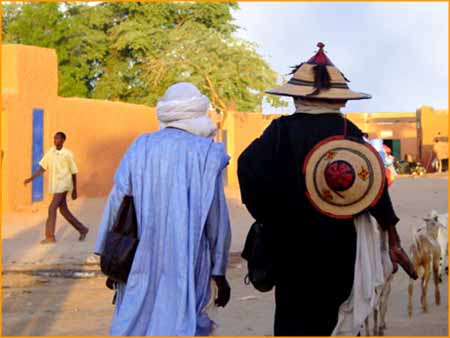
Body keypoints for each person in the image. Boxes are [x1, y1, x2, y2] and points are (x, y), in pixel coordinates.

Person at [238, 42, 417, 336]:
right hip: (339, 245)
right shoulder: (348, 133)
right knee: (331, 318)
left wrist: (268, 214)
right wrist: (392, 238)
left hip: (289, 245)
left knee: (291, 317)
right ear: (339, 100)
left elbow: (247, 168)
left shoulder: (279, 131)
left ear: (297, 96)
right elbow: (375, 189)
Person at [95, 83, 232, 336]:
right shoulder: (207, 153)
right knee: (183, 318)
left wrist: (110, 254)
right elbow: (217, 220)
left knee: (136, 318)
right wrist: (219, 271)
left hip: (138, 256)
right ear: (198, 113)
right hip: (189, 256)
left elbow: (117, 200)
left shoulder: (141, 145)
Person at [24, 132, 89, 244]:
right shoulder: (51, 152)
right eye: (54, 138)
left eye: (58, 138)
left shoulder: (68, 154)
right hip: (56, 186)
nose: (55, 140)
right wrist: (31, 178)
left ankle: (50, 236)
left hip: (64, 185)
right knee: (64, 211)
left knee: (52, 208)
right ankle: (83, 229)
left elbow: (74, 172)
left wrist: (74, 189)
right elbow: (43, 167)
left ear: (63, 140)